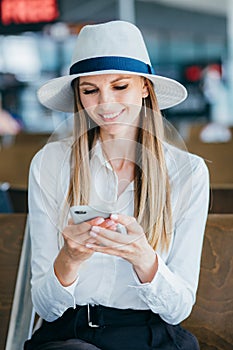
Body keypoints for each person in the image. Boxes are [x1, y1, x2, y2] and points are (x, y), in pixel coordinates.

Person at [24, 21, 209, 350]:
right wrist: (70, 258)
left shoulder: (187, 172)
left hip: (149, 336)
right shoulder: (50, 163)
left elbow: (178, 308)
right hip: (70, 336)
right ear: (79, 96)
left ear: (144, 88)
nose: (104, 104)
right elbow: (45, 308)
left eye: (120, 86)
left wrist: (143, 258)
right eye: (90, 90)